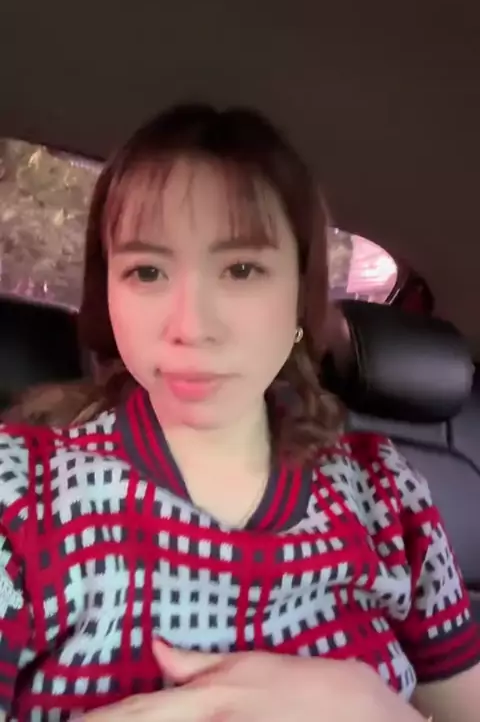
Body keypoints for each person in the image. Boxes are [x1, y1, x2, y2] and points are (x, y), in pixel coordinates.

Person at [0, 104, 478, 722]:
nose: (191, 326)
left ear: (301, 296)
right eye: (146, 271)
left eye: (242, 269)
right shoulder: (20, 493)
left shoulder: (386, 496)